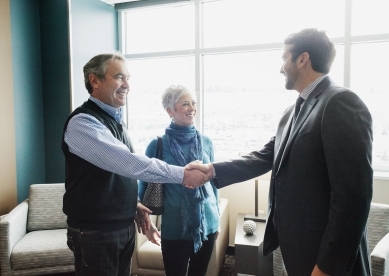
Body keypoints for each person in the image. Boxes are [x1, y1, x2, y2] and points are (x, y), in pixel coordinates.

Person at [188, 28, 373, 276]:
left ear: (302, 59)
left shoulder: (340, 102)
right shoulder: (292, 111)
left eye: (284, 58)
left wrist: (327, 267)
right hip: (297, 250)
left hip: (327, 260)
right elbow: (265, 156)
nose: (281, 67)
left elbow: (354, 199)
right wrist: (212, 170)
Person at [62, 53, 209, 276]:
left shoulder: (115, 121)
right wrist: (183, 175)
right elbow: (128, 163)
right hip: (96, 232)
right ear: (95, 81)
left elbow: (118, 174)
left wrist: (134, 204)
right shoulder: (83, 122)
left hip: (121, 227)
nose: (127, 85)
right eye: (119, 77)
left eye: (128, 78)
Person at [138, 85, 220, 276]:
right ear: (170, 111)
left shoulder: (206, 142)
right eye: (185, 104)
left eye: (193, 103)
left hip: (206, 225)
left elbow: (214, 184)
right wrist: (147, 226)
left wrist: (215, 222)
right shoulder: (157, 145)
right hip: (174, 229)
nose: (192, 108)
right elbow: (144, 187)